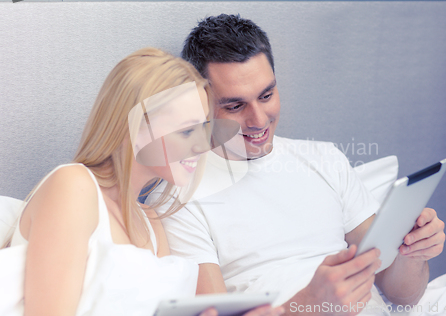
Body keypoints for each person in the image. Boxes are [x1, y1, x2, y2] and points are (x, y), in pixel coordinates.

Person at [146, 15, 446, 315]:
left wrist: (413, 253)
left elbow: (403, 296)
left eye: (266, 95)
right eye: (235, 106)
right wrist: (308, 306)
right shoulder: (178, 198)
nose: (258, 120)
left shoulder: (325, 160)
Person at [0, 47, 285, 316]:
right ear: (132, 129)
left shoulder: (150, 221)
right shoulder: (74, 186)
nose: (201, 145)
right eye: (186, 132)